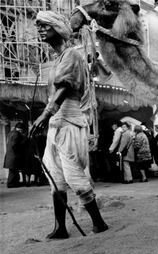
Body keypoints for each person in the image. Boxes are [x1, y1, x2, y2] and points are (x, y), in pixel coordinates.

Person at [30, 11, 108, 239]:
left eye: (45, 25)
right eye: (39, 26)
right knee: (55, 177)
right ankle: (60, 227)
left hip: (69, 121)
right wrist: (48, 118)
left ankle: (99, 223)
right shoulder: (57, 60)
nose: (41, 29)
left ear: (58, 28)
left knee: (74, 175)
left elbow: (64, 88)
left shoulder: (72, 56)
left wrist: (45, 114)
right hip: (56, 124)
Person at [3, 122, 27, 188]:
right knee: (13, 171)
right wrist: (19, 152)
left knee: (13, 171)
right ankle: (11, 184)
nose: (22, 131)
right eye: (21, 130)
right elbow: (14, 145)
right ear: (19, 129)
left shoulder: (10, 133)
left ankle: (15, 183)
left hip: (10, 155)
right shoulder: (17, 134)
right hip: (14, 156)